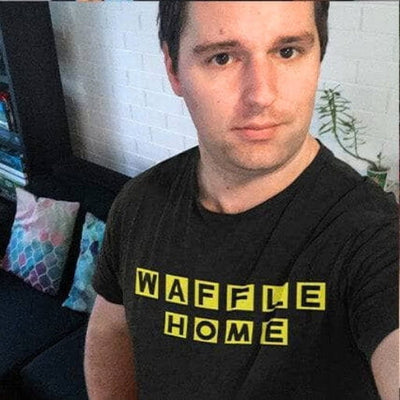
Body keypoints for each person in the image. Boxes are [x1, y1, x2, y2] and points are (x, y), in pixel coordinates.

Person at [84, 2, 398, 399]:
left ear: (318, 57)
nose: (261, 95)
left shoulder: (375, 236)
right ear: (173, 68)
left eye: (287, 51)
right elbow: (111, 328)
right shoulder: (138, 205)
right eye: (222, 57)